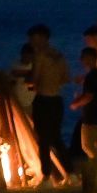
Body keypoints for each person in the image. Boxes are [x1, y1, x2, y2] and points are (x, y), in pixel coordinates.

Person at [22, 24, 72, 182]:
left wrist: (28, 81)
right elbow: (66, 78)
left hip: (43, 99)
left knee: (43, 139)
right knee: (56, 137)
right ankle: (71, 173)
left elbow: (34, 79)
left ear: (42, 38)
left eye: (33, 38)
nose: (31, 41)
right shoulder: (59, 56)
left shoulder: (40, 56)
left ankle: (46, 176)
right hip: (57, 99)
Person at [69, 46, 97, 193]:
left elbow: (89, 96)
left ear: (89, 59)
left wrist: (76, 104)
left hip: (91, 118)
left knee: (88, 146)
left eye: (83, 57)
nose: (81, 61)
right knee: (96, 147)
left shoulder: (92, 76)